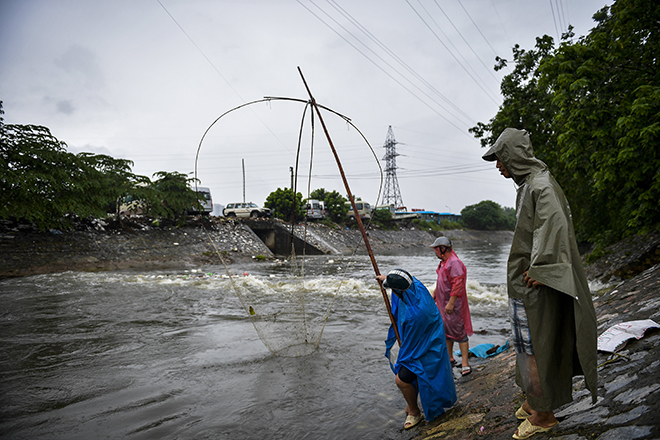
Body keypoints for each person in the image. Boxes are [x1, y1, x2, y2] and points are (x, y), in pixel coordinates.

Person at [482, 128, 598, 439]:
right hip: (526, 284)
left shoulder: (541, 186)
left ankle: (543, 414)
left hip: (536, 285)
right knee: (526, 346)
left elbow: (554, 225)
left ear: (514, 156)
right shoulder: (529, 184)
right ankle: (534, 400)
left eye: (500, 158)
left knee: (536, 347)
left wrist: (541, 267)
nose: (497, 165)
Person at [376, 269, 457, 430]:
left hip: (427, 347)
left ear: (399, 290)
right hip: (430, 338)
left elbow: (410, 349)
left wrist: (402, 362)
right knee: (413, 374)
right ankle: (412, 402)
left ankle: (414, 411)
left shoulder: (415, 316)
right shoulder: (415, 284)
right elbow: (403, 280)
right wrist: (387, 279)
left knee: (402, 379)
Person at [429, 236, 474, 376]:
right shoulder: (444, 262)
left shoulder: (454, 263)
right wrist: (435, 294)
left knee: (459, 332)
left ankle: (465, 363)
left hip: (453, 304)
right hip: (443, 303)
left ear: (443, 249)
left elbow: (458, 283)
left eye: (436, 249)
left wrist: (451, 302)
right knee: (446, 331)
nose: (435, 251)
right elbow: (441, 280)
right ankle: (449, 357)